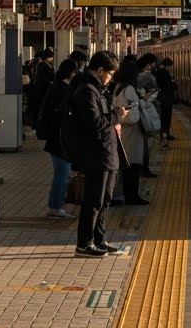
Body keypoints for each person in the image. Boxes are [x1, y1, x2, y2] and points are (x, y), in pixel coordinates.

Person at [72, 51, 124, 258]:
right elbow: (94, 123)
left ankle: (99, 239)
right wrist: (116, 116)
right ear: (100, 70)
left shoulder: (97, 90)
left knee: (105, 199)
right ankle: (84, 243)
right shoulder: (86, 91)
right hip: (96, 153)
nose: (110, 78)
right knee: (94, 200)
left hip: (107, 152)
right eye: (110, 74)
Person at [39, 59, 78, 218]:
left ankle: (56, 205)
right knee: (63, 174)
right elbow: (62, 117)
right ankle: (56, 207)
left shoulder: (55, 86)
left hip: (55, 138)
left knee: (61, 174)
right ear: (71, 72)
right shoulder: (63, 90)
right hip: (60, 139)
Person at [111, 60, 149, 206]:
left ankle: (126, 195)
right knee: (133, 166)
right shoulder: (130, 89)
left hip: (122, 130)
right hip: (132, 131)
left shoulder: (118, 87)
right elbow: (134, 109)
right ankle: (132, 196)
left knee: (126, 165)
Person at [154, 57, 178, 141]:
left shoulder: (159, 72)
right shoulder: (164, 73)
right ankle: (166, 133)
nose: (170, 68)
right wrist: (174, 85)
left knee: (163, 116)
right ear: (167, 65)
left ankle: (163, 133)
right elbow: (168, 85)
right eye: (170, 66)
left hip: (162, 97)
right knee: (166, 116)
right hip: (166, 98)